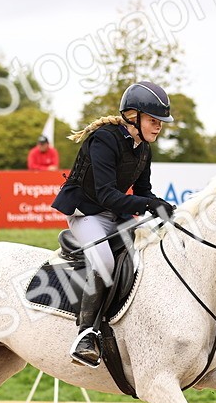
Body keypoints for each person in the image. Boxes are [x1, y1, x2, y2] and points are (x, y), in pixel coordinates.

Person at [51, 80, 175, 367]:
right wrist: (147, 205)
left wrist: (164, 208)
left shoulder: (143, 149)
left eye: (161, 122)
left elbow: (143, 193)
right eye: (154, 121)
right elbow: (107, 194)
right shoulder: (104, 140)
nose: (158, 127)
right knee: (105, 262)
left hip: (114, 216)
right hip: (87, 214)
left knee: (148, 255)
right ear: (133, 116)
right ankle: (86, 335)